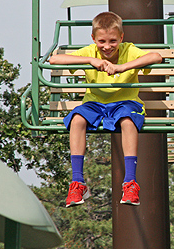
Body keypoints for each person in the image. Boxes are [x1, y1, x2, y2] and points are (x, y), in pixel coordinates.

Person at [49, 11, 162, 208]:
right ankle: (77, 182)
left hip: (125, 103)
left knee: (127, 121)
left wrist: (123, 67)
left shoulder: (129, 50)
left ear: (121, 38)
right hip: (95, 103)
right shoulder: (90, 52)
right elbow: (54, 60)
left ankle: (130, 182)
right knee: (77, 119)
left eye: (112, 41)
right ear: (93, 39)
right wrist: (89, 61)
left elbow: (156, 57)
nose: (107, 47)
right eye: (101, 41)